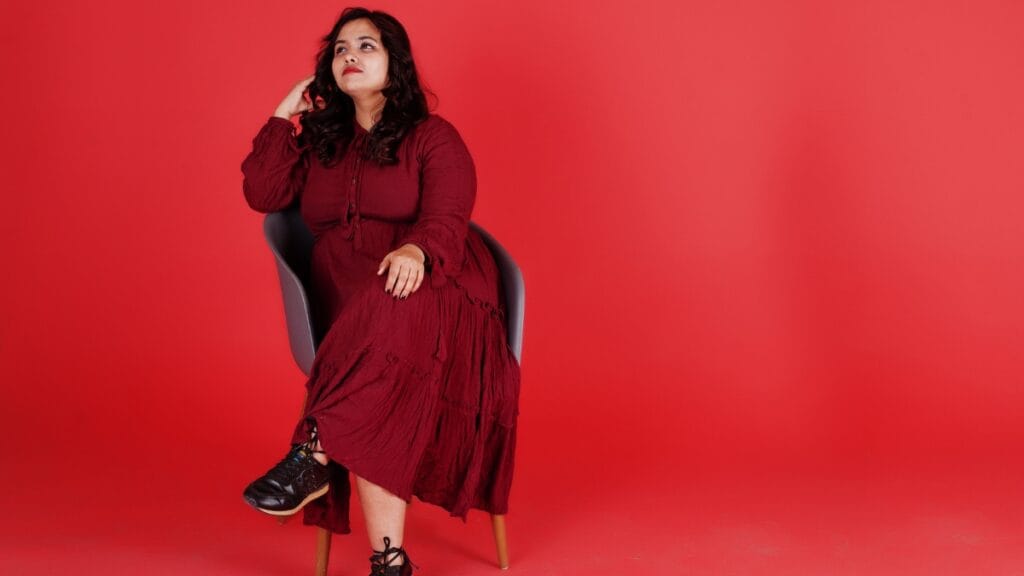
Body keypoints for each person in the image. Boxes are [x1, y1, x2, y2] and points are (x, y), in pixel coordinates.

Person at [238, 7, 521, 576]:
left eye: (367, 46)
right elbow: (263, 193)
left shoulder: (432, 137)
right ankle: (389, 562)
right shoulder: (322, 144)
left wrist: (417, 250)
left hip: (439, 288)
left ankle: (312, 451)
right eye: (341, 49)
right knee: (378, 371)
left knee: (393, 306)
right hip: (352, 304)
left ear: (396, 64)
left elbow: (449, 214)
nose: (350, 56)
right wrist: (282, 114)